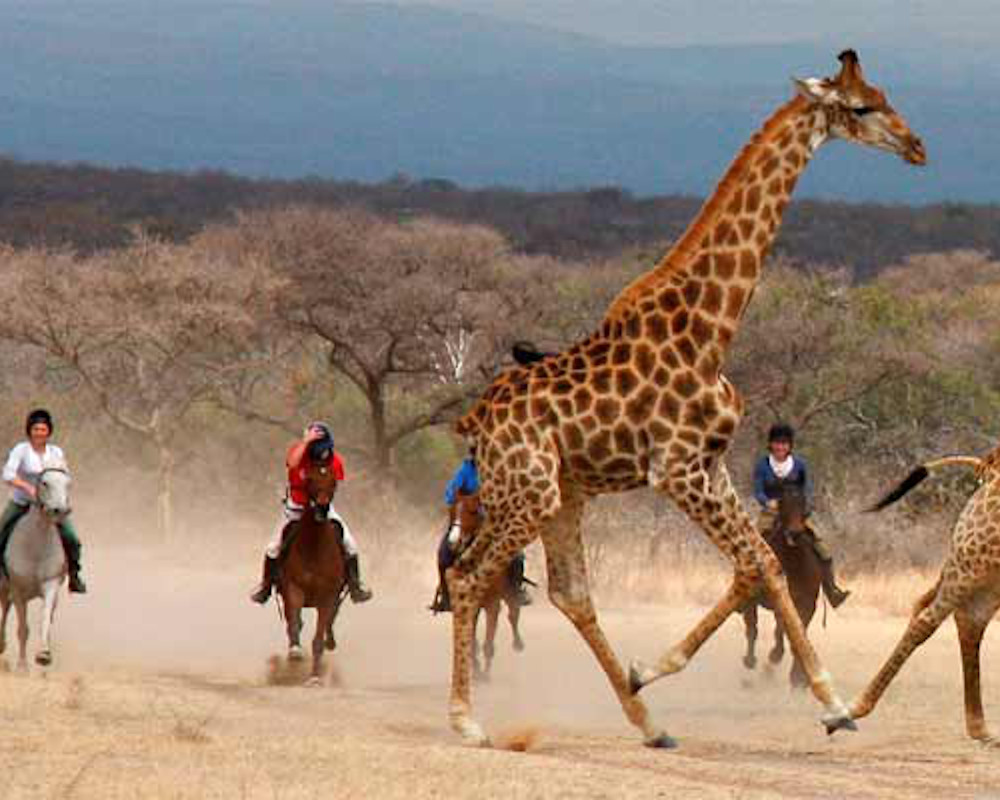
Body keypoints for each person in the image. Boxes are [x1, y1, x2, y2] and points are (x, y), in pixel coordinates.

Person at [250, 421, 372, 605]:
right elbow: (292, 463)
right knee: (273, 547)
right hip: (296, 508)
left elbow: (336, 480)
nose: (321, 452)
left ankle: (355, 586)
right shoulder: (298, 452)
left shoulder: (334, 459)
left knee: (351, 544)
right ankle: (266, 587)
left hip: (324, 507)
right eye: (316, 447)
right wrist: (306, 442)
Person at [753, 422, 850, 608]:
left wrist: (805, 508)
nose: (780, 447)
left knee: (823, 549)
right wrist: (767, 502)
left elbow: (808, 490)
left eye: (784, 443)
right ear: (771, 445)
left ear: (790, 446)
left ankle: (832, 591)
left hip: (795, 512)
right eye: (777, 443)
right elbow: (758, 491)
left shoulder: (799, 465)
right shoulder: (763, 465)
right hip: (771, 512)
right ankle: (747, 593)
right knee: (752, 548)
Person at [430, 446, 531, 613]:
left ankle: (515, 590)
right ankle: (446, 596)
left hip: (494, 520)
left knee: (517, 554)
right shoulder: (466, 470)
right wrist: (459, 500)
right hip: (467, 521)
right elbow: (450, 494)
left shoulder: (500, 470)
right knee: (444, 552)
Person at [0, 409, 87, 593]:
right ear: (29, 430)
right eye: (36, 429)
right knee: (1, 532)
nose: (39, 432)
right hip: (22, 503)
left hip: (51, 507)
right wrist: (26, 486)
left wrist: (62, 495)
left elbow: (64, 475)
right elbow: (8, 473)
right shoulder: (21, 450)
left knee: (72, 538)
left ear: (49, 431)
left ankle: (74, 575)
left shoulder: (56, 452)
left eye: (43, 429)